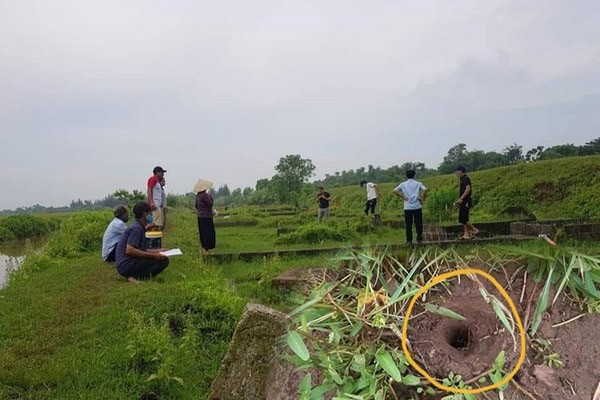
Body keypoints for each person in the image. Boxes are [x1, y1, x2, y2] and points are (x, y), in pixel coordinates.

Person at [115, 202, 169, 283]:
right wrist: (154, 255)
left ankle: (134, 276)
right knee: (163, 261)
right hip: (127, 265)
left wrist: (159, 251)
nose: (152, 214)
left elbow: (142, 249)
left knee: (163, 258)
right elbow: (130, 250)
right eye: (150, 212)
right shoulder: (136, 229)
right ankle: (135, 277)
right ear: (145, 214)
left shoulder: (139, 227)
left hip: (126, 263)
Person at [393, 170, 427, 244]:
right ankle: (419, 238)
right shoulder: (418, 183)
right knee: (419, 223)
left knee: (408, 224)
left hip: (407, 207)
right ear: (414, 175)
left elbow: (395, 190)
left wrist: (403, 197)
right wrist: (421, 197)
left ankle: (409, 240)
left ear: (406, 176)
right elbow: (425, 189)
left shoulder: (403, 184)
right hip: (417, 206)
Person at [455, 165, 479, 240]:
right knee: (465, 218)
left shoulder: (465, 178)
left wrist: (461, 198)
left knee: (462, 219)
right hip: (463, 201)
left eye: (457, 171)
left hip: (466, 201)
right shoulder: (462, 179)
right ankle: (466, 234)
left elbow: (468, 189)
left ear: (461, 171)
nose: (456, 173)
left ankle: (474, 230)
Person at [194, 179, 216, 255]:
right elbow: (210, 204)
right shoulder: (205, 195)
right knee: (209, 233)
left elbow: (196, 206)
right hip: (207, 217)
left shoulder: (198, 195)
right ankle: (207, 249)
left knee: (203, 232)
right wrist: (211, 198)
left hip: (200, 216)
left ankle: (204, 249)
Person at [147, 166, 167, 231]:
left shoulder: (157, 181)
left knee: (157, 224)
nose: (163, 174)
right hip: (155, 205)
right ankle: (145, 230)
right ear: (157, 172)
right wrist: (152, 203)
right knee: (155, 223)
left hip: (158, 205)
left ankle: (154, 237)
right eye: (161, 172)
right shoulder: (152, 179)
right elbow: (149, 190)